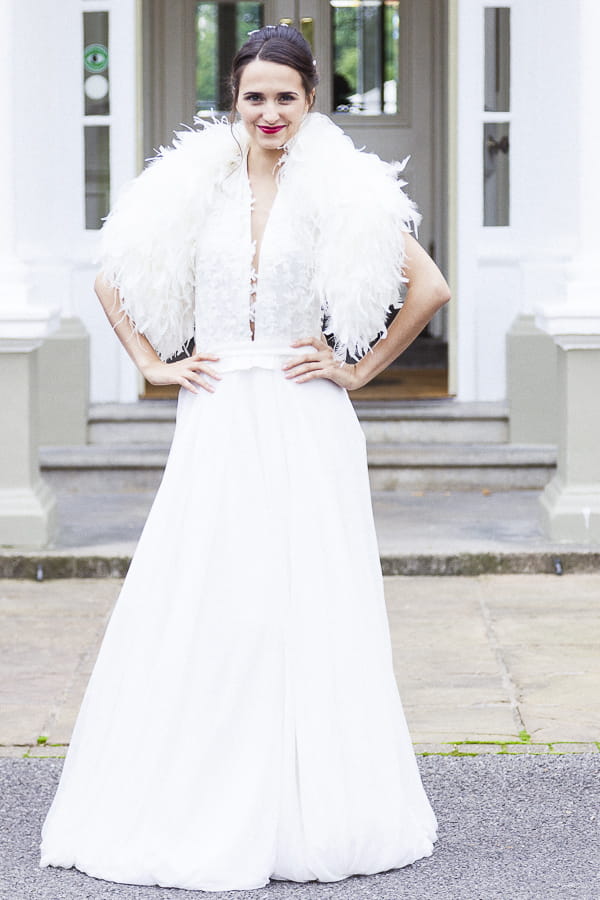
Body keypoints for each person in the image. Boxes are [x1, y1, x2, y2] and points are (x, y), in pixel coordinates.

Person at [39, 24, 450, 892]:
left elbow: (431, 287)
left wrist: (357, 369)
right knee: (215, 594)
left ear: (310, 101)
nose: (269, 112)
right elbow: (112, 272)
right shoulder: (198, 185)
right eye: (254, 95)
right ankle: (199, 795)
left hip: (306, 412)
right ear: (233, 96)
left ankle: (311, 806)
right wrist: (153, 362)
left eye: (285, 97)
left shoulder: (341, 188)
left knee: (308, 595)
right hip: (219, 412)